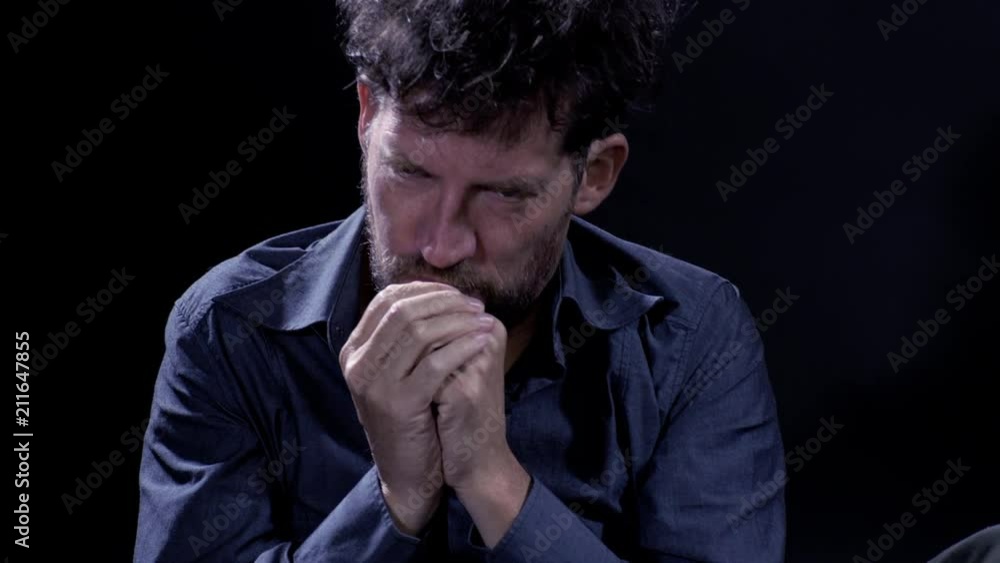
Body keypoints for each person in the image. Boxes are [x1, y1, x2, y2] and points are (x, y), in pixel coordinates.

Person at [133, 1, 785, 561]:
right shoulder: (227, 330)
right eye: (411, 173)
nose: (440, 247)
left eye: (503, 194)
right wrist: (395, 498)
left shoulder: (692, 338)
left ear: (594, 175)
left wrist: (493, 480)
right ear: (366, 114)